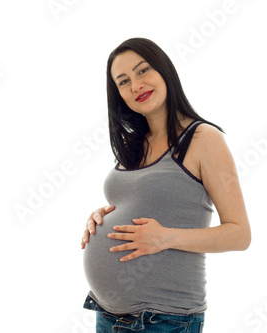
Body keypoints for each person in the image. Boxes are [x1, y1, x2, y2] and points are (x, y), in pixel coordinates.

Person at [80, 37, 251, 332]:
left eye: (143, 71)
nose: (136, 86)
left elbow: (239, 234)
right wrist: (103, 217)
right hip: (107, 313)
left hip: (163, 320)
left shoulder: (203, 139)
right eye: (123, 81)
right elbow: (145, 200)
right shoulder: (135, 143)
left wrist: (165, 238)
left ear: (164, 71)